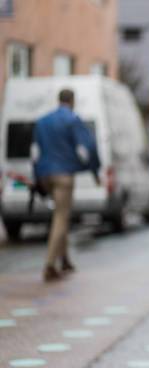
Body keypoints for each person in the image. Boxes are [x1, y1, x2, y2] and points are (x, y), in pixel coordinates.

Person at [32, 88, 100, 282]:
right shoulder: (72, 120)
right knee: (61, 218)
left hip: (45, 175)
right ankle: (49, 265)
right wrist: (94, 171)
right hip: (63, 176)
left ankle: (65, 260)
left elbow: (35, 152)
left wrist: (37, 177)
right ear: (72, 101)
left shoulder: (42, 121)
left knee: (59, 215)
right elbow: (86, 149)